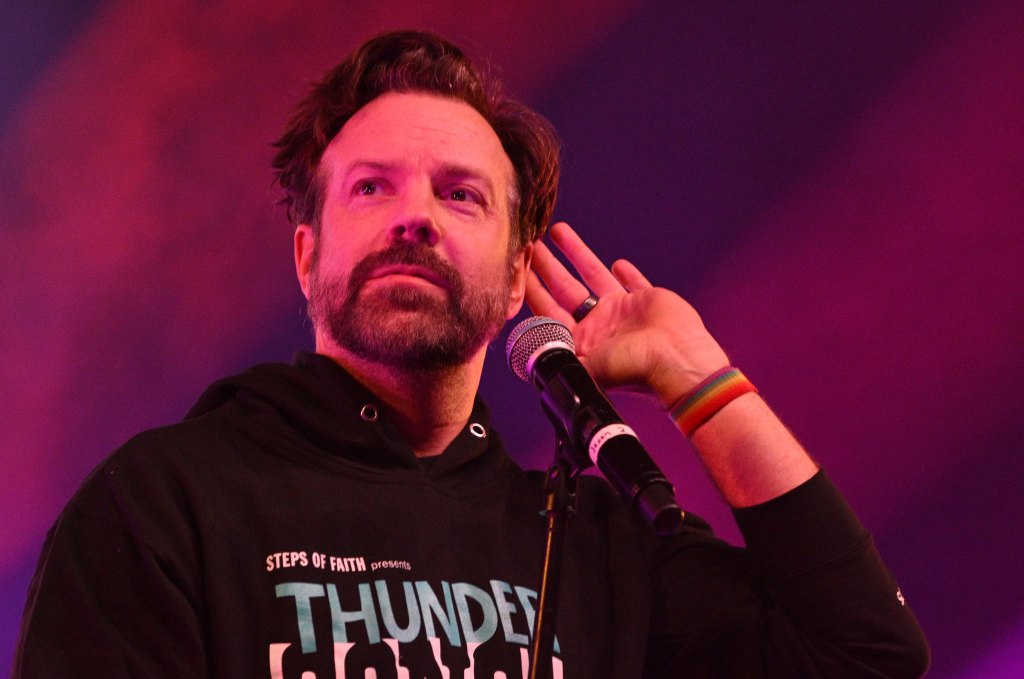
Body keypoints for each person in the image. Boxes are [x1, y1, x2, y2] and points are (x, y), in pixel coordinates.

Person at [13, 30, 929, 678]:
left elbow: (862, 650)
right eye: (372, 187)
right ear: (307, 253)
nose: (414, 215)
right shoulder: (162, 505)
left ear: (516, 271)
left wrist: (697, 375)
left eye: (462, 196)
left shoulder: (590, 542)